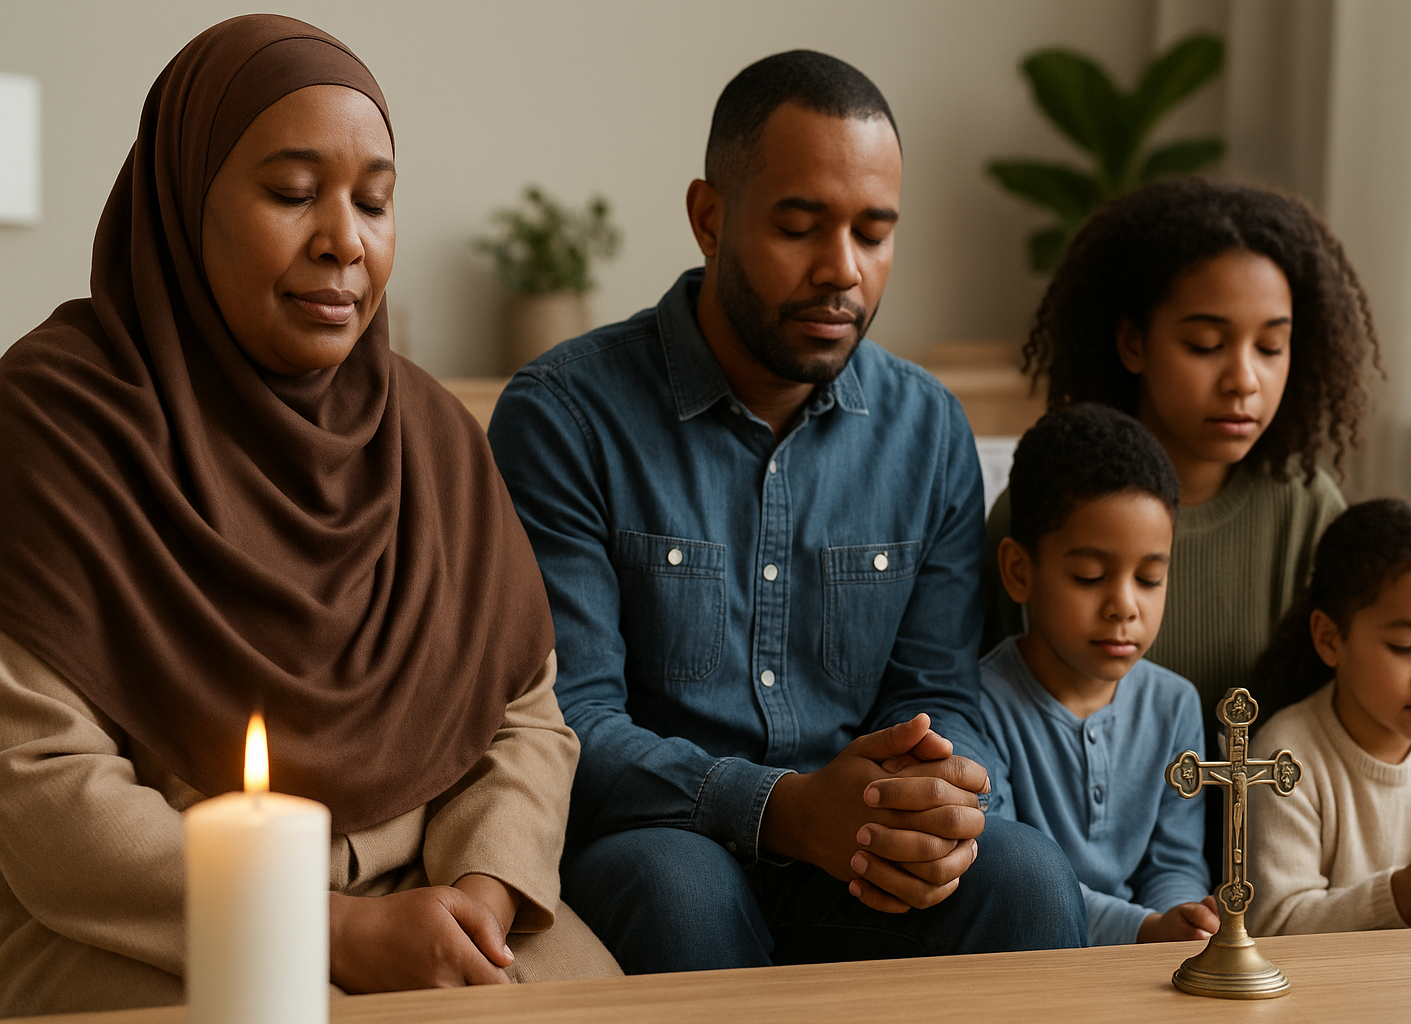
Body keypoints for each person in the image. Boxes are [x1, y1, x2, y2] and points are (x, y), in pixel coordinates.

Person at [0, 16, 617, 1016]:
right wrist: (323, 928)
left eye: (374, 202)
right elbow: (45, 789)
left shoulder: (430, 435)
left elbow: (522, 716)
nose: (344, 240)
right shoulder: (54, 420)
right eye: (293, 193)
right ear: (184, 204)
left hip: (429, 902)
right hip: (147, 926)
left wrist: (479, 894)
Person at [489, 49, 1086, 974]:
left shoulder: (927, 430)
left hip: (851, 850)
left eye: (874, 232)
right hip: (653, 841)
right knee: (681, 888)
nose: (842, 271)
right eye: (801, 227)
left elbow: (934, 693)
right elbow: (572, 730)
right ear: (709, 219)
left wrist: (936, 795)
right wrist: (785, 809)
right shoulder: (566, 416)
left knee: (1026, 878)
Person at [982, 177, 1382, 720]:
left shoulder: (1307, 509)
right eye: (1206, 345)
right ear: (1133, 343)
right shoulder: (1042, 507)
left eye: (1271, 346)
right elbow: (988, 703)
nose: (1244, 379)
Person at [980, 404, 1216, 946]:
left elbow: (1174, 861)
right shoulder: (981, 706)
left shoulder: (1175, 704)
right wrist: (1143, 929)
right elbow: (1012, 882)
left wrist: (1182, 918)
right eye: (1089, 576)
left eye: (1151, 578)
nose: (1124, 606)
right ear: (1020, 571)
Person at [1247, 499, 1411, 934]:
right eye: (1405, 645)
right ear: (1330, 639)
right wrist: (1405, 894)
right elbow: (1276, 927)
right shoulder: (1285, 756)